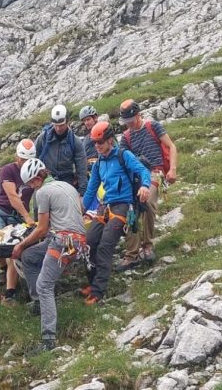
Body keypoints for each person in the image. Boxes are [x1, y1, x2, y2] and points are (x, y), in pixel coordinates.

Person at [12, 158, 87, 352]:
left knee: (44, 285)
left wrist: (21, 244)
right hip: (78, 240)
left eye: (30, 184)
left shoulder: (43, 192)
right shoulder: (67, 186)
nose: (31, 187)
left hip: (63, 241)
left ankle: (48, 339)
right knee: (30, 257)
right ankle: (39, 303)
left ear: (37, 179)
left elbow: (42, 229)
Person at [81, 121, 151, 305]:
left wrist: (144, 186)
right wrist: (80, 210)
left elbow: (142, 170)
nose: (97, 146)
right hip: (105, 207)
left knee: (105, 246)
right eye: (95, 143)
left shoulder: (123, 155)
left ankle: (98, 291)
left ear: (110, 139)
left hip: (123, 206)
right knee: (88, 243)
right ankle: (93, 281)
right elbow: (91, 190)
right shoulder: (98, 164)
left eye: (100, 142)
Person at [117, 99, 178, 271]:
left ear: (138, 115)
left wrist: (172, 169)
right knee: (130, 208)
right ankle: (131, 253)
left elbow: (171, 146)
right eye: (126, 122)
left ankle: (147, 245)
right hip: (134, 176)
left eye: (131, 120)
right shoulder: (126, 137)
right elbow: (121, 158)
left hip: (154, 172)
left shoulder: (154, 127)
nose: (129, 125)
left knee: (148, 201)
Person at [0, 139, 37, 304]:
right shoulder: (7, 170)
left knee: (15, 248)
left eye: (27, 160)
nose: (23, 163)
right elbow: (12, 196)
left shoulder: (34, 171)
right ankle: (3, 268)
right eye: (21, 159)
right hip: (2, 211)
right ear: (17, 156)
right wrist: (27, 217)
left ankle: (10, 291)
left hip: (18, 217)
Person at [35, 104, 88, 196]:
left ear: (68, 121)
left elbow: (81, 169)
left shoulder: (75, 142)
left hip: (66, 180)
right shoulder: (42, 139)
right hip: (46, 179)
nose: (58, 128)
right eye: (56, 125)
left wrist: (83, 192)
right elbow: (34, 159)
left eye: (61, 125)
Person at [79, 105, 99, 173]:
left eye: (88, 119)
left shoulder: (105, 132)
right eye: (84, 121)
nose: (86, 123)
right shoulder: (86, 138)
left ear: (95, 118)